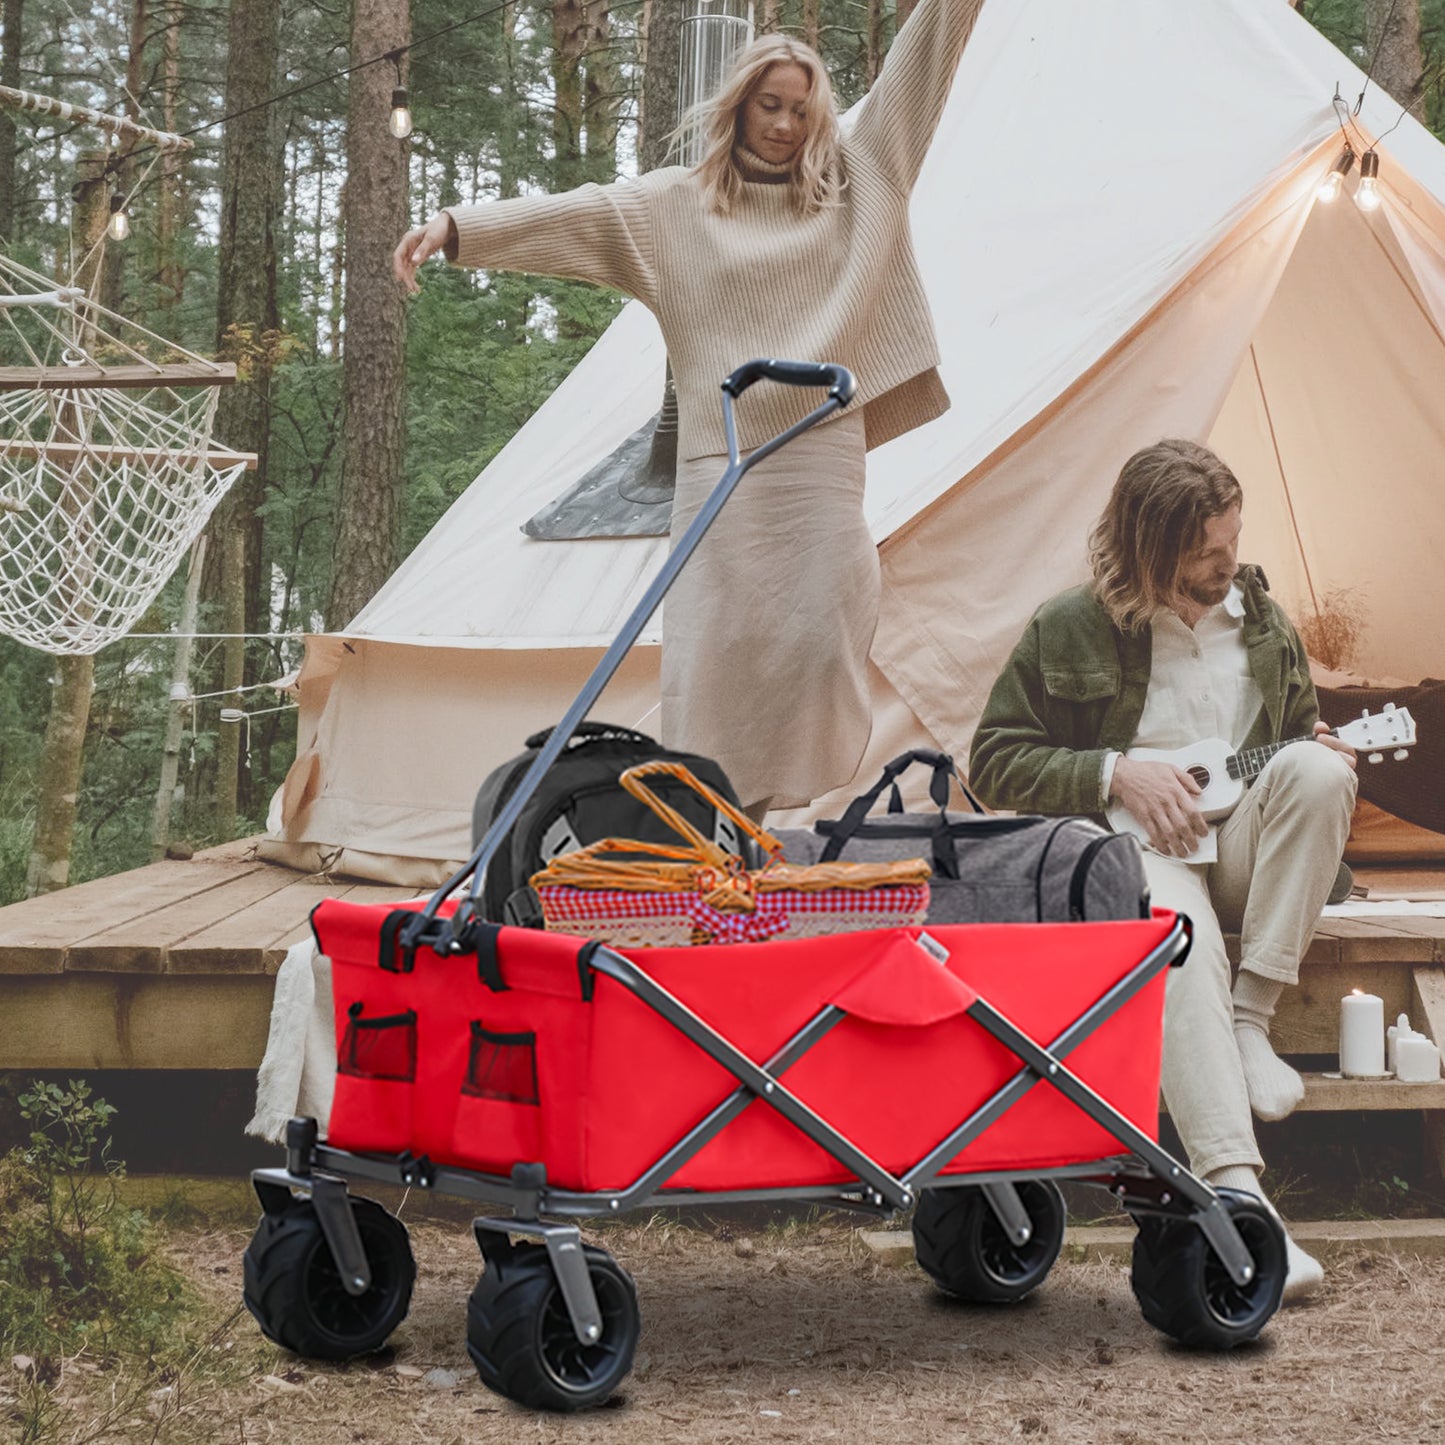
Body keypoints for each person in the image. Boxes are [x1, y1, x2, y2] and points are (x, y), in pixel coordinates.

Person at [393, 0, 987, 820]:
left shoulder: (863, 177)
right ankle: (709, 818)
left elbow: (918, 68)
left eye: (799, 110)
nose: (783, 125)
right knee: (714, 653)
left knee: (819, 641)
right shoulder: (676, 208)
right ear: (738, 105)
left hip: (817, 460)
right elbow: (579, 214)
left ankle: (800, 819)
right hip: (722, 463)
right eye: (767, 105)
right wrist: (458, 228)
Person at [968, 438, 1358, 1301]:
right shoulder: (1069, 623)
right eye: (1205, 551)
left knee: (1322, 768)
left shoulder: (1262, 623)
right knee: (1172, 941)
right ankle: (1240, 1198)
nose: (1229, 563)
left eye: (1231, 540)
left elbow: (1295, 739)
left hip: (1247, 854)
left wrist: (1314, 747)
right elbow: (992, 760)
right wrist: (1114, 773)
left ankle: (1251, 1018)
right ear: (1150, 547)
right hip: (1144, 851)